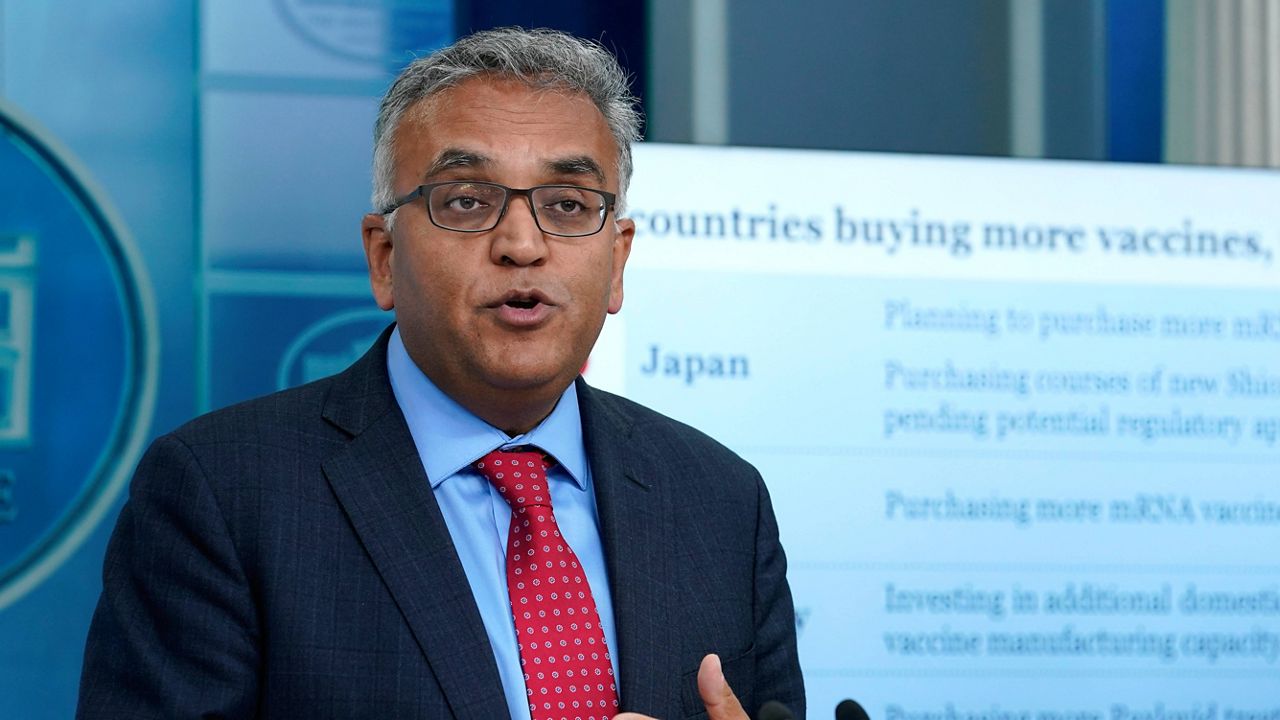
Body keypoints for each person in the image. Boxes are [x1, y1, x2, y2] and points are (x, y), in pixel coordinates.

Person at [78, 27, 804, 720]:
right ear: (383, 258)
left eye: (567, 206)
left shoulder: (719, 501)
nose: (522, 245)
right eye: (466, 201)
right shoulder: (223, 494)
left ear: (617, 262)